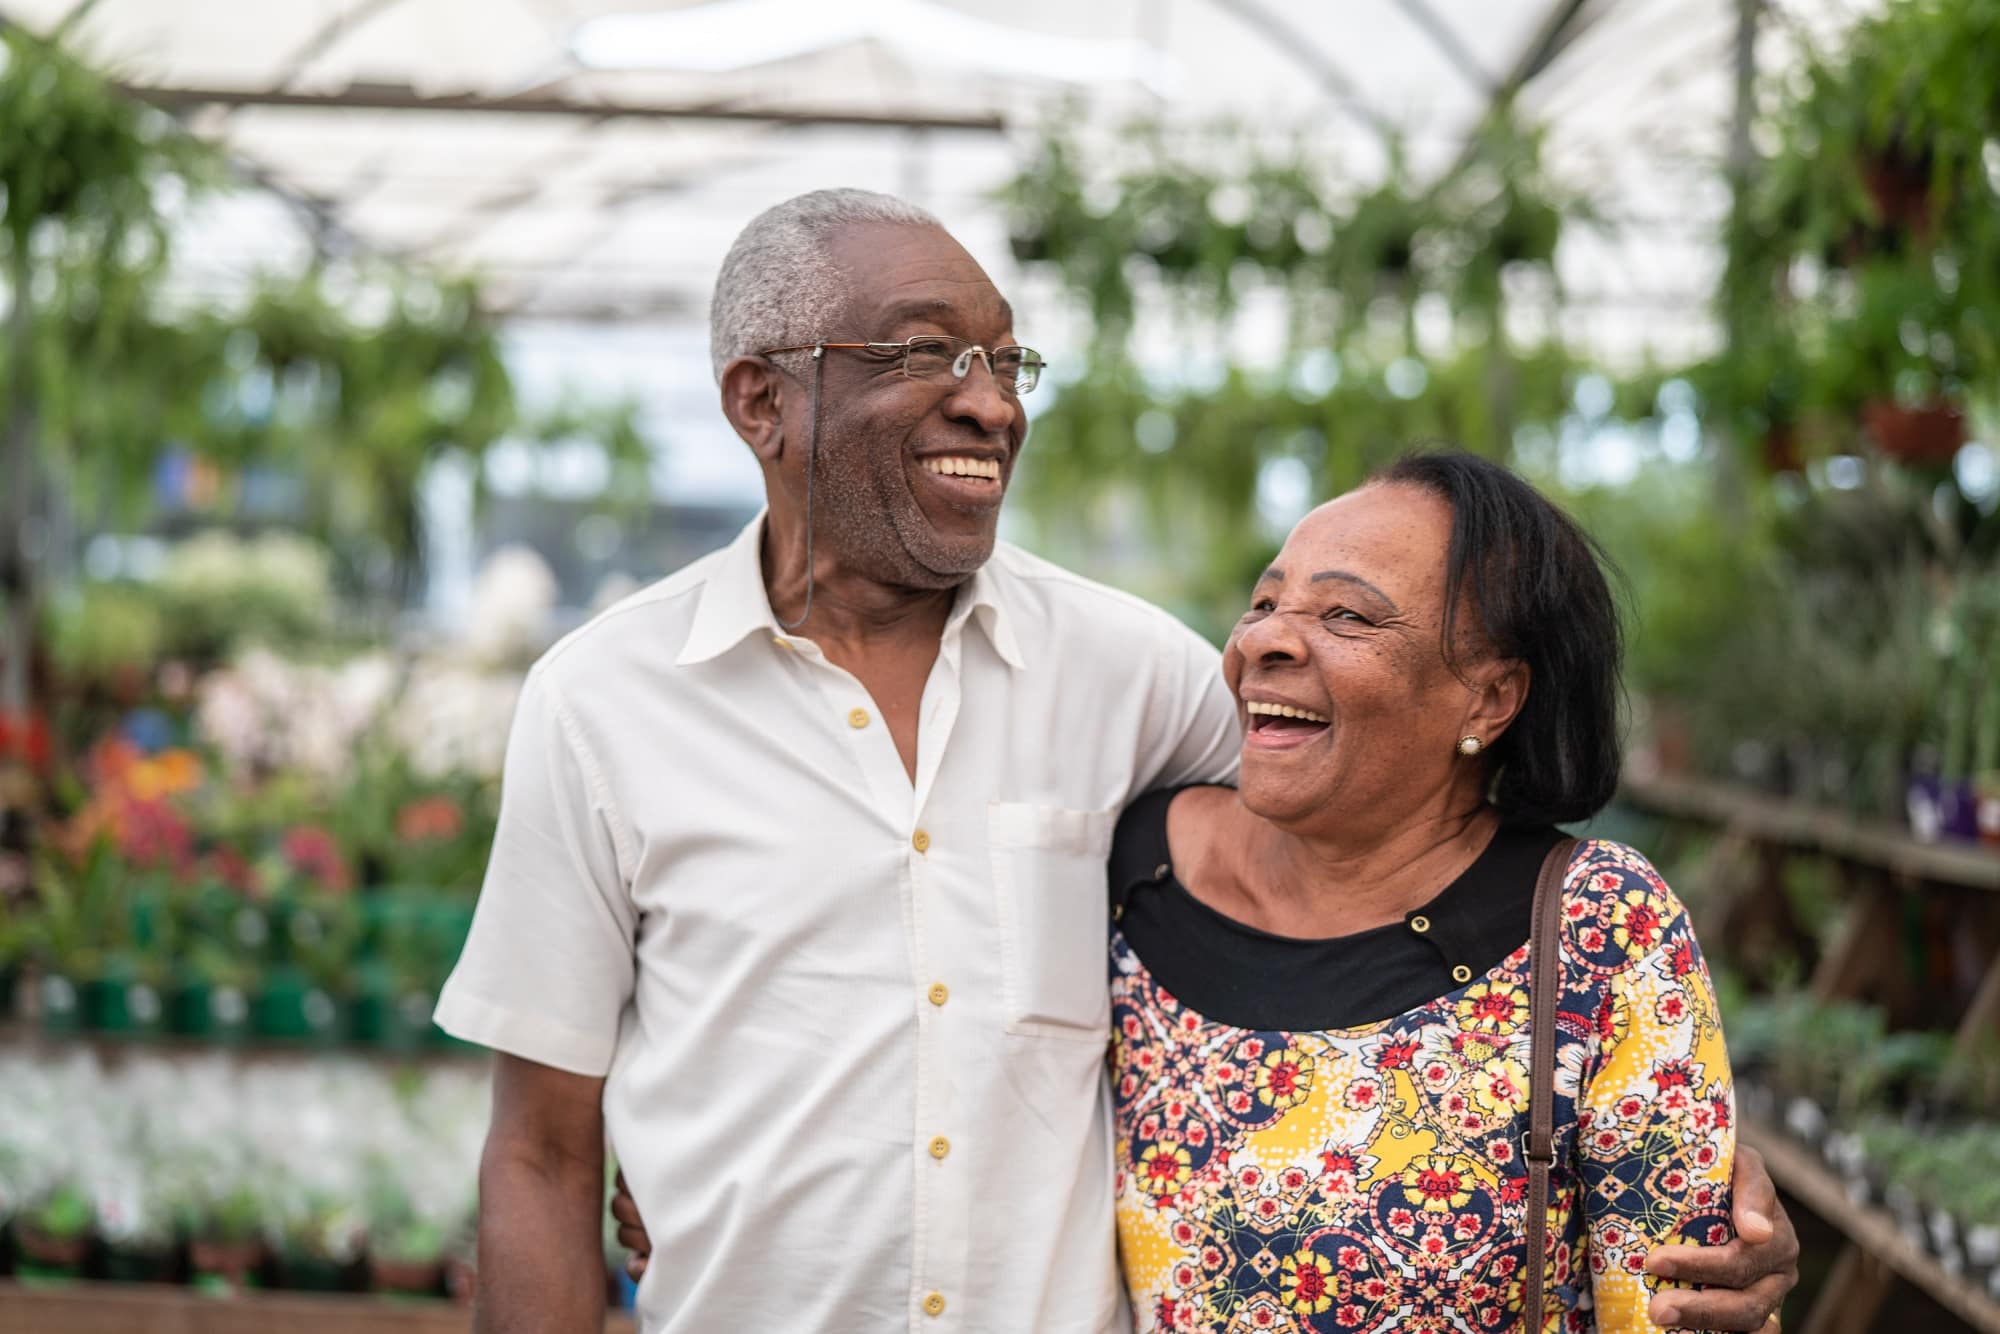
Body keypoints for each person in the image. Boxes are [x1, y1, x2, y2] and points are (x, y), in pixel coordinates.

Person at [441, 188, 1797, 1333]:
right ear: (761, 399)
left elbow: (1407, 808)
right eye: (926, 354)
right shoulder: (604, 702)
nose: (990, 406)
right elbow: (543, 1150)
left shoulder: (1130, 670)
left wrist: (1664, 1116)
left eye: (1007, 362)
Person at [1104, 452, 1735, 1330]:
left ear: (1489, 699)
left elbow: (1683, 1303)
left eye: (1346, 614)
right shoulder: (1135, 875)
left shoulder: (1600, 927)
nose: (1262, 641)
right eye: (1264, 602)